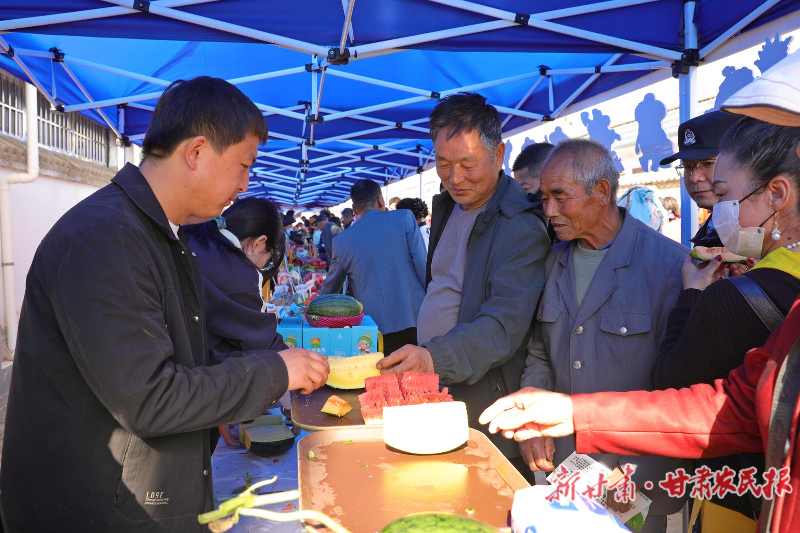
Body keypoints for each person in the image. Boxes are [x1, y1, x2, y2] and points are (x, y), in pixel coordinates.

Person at [0, 77, 330, 533]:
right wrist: (276, 370)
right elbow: (151, 398)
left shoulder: (163, 235)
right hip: (97, 510)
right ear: (195, 152)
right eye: (242, 166)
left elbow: (187, 357)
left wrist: (267, 368)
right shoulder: (106, 238)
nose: (245, 183)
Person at [520, 138, 688, 531]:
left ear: (602, 192)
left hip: (633, 474)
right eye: (544, 198)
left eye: (560, 196)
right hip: (567, 464)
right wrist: (532, 424)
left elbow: (681, 386)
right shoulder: (553, 262)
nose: (549, 211)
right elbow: (540, 353)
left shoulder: (670, 266)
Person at [376, 93, 551, 462]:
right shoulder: (449, 206)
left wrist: (432, 357)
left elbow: (502, 325)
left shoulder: (519, 226)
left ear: (499, 154)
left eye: (468, 164)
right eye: (443, 163)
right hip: (442, 382)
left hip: (485, 398)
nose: (454, 178)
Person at [650, 118, 800, 523]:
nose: (718, 213)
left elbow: (671, 384)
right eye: (689, 168)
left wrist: (693, 295)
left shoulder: (733, 297)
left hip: (739, 493)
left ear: (777, 194)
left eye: (723, 195)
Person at [322, 180, 427, 355]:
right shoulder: (405, 218)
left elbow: (331, 288)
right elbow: (422, 262)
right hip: (416, 318)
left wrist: (313, 311)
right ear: (381, 200)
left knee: (383, 377)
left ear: (355, 209)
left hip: (374, 330)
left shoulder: (342, 241)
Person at [660, 110, 741, 247]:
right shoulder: (710, 230)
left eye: (708, 163)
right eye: (687, 167)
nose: (694, 178)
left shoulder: (769, 235)